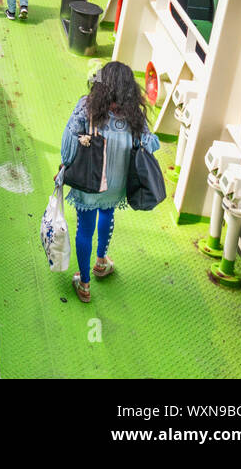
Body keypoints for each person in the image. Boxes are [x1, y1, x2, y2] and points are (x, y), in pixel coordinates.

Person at [60, 61, 161, 304]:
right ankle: (101, 261)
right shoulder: (134, 115)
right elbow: (151, 144)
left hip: (89, 180)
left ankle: (84, 284)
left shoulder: (87, 106)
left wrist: (64, 166)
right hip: (117, 183)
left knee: (85, 228)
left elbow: (69, 142)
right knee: (107, 212)